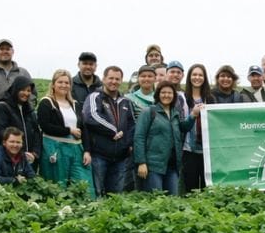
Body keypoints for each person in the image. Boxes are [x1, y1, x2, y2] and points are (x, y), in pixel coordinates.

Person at [134, 81, 198, 195]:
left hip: (172, 166)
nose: (166, 95)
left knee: (172, 201)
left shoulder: (175, 113)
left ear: (174, 96)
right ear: (158, 94)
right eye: (163, 92)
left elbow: (183, 128)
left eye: (169, 93)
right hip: (153, 166)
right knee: (156, 200)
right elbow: (139, 137)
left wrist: (192, 115)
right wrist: (141, 162)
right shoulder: (149, 112)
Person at [37, 69, 93, 195]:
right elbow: (45, 126)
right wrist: (69, 130)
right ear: (53, 84)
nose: (64, 85)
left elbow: (84, 129)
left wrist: (87, 151)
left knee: (83, 183)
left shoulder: (74, 104)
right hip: (55, 147)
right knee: (57, 185)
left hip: (76, 148)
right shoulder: (47, 103)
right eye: (60, 82)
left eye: (67, 83)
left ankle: (85, 211)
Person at [83, 65, 137, 195]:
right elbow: (91, 116)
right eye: (111, 78)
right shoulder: (95, 97)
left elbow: (132, 124)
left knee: (116, 195)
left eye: (117, 79)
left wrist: (128, 143)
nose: (114, 82)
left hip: (120, 157)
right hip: (99, 154)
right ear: (103, 79)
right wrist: (113, 131)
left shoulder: (125, 101)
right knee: (98, 192)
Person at [0, 74, 42, 166]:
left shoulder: (30, 111)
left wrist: (35, 153)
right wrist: (19, 151)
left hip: (29, 159)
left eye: (29, 91)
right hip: (8, 159)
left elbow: (37, 133)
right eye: (22, 90)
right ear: (15, 89)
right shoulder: (3, 107)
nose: (26, 93)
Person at [182, 63, 215, 191]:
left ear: (205, 78)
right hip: (188, 150)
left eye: (200, 75)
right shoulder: (182, 98)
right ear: (189, 77)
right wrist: (193, 115)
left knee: (207, 188)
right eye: (194, 74)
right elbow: (182, 126)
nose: (197, 77)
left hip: (207, 151)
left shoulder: (210, 99)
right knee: (191, 188)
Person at [0, 127, 36, 193]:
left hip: (16, 192)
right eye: (12, 142)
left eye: (18, 142)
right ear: (4, 143)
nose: (15, 145)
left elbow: (31, 174)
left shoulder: (22, 156)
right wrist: (14, 180)